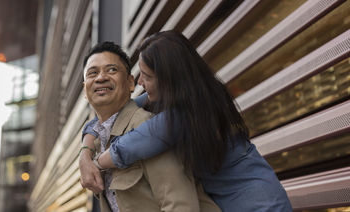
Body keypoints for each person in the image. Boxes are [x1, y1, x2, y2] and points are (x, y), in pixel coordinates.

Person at [80, 31, 293, 212]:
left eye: (147, 76)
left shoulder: (187, 112)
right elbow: (115, 113)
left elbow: (132, 145)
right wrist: (85, 152)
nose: (141, 83)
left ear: (168, 79)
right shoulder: (190, 94)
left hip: (260, 206)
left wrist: (95, 165)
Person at [79, 41, 220, 212]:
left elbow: (181, 205)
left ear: (131, 83)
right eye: (93, 73)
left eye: (112, 70)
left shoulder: (146, 129)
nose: (101, 78)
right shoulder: (96, 143)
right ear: (85, 91)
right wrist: (85, 153)